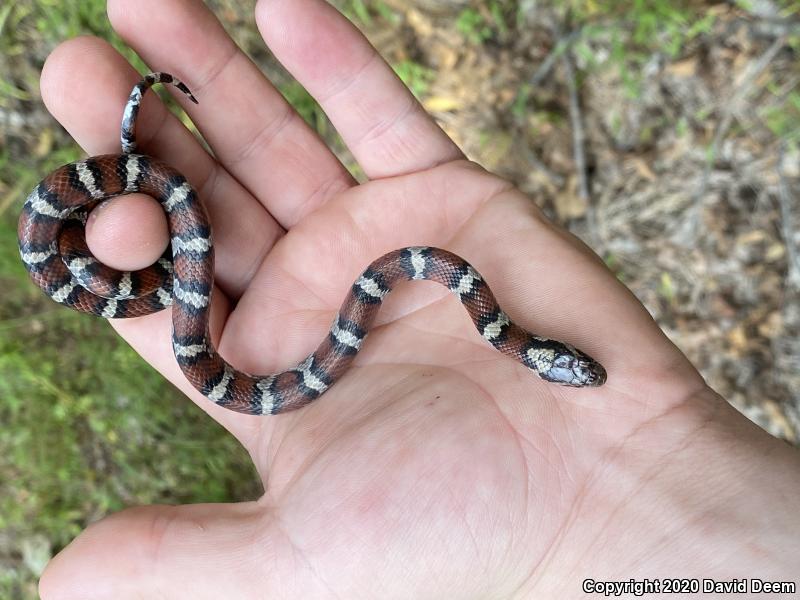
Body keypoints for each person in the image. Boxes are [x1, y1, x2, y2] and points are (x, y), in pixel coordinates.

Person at [37, 0, 799, 598]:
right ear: (548, 356)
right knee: (131, 241)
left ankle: (140, 181)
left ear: (543, 360)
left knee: (142, 248)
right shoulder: (469, 295)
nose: (582, 368)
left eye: (573, 368)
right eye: (575, 365)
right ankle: (130, 190)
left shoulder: (480, 309)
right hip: (145, 248)